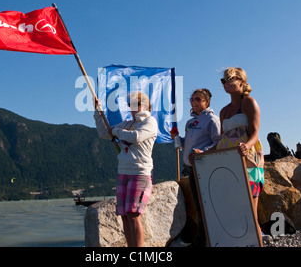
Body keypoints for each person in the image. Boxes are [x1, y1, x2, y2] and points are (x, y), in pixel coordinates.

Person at [94, 91, 157, 247]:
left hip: (140, 172)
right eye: (130, 104)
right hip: (123, 172)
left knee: (133, 214)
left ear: (145, 105)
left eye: (136, 104)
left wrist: (116, 132)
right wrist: (97, 112)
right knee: (124, 215)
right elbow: (104, 133)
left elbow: (136, 137)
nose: (132, 107)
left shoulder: (150, 122)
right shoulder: (127, 123)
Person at [170, 88, 220, 246]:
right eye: (192, 99)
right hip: (191, 167)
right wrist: (177, 138)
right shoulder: (190, 122)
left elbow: (218, 142)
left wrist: (202, 152)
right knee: (199, 205)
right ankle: (202, 239)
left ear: (207, 102)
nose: (194, 102)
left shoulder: (212, 119)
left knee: (207, 205)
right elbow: (187, 144)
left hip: (205, 166)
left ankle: (208, 239)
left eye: (198, 99)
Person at [216, 67, 264, 230]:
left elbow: (256, 132)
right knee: (232, 209)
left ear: (242, 81)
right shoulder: (223, 111)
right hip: (227, 158)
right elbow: (221, 138)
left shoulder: (249, 102)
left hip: (247, 157)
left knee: (249, 210)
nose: (226, 83)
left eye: (231, 79)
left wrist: (247, 145)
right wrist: (205, 153)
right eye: (224, 80)